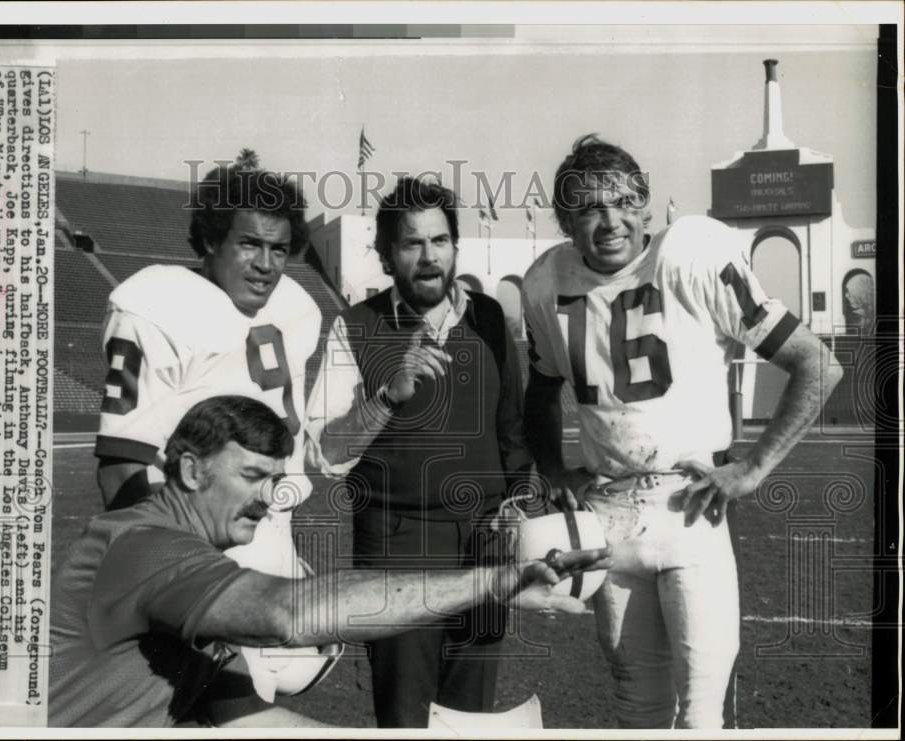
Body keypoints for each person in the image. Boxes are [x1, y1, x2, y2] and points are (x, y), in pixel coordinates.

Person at [521, 134, 843, 729]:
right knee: (637, 712)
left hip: (690, 512)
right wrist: (553, 469)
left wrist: (752, 467)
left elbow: (818, 364)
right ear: (566, 221)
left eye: (622, 202)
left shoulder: (689, 254)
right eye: (590, 208)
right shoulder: (545, 284)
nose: (610, 221)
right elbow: (539, 390)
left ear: (647, 205)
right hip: (610, 515)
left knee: (700, 718)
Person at [49, 395, 611, 727]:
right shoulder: (145, 547)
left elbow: (248, 719)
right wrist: (495, 581)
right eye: (251, 477)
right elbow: (291, 615)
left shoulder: (196, 572)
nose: (268, 498)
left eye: (274, 480)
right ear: (192, 472)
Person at [305, 177, 536, 727]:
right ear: (387, 257)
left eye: (440, 241)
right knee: (407, 720)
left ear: (455, 246)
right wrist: (388, 395)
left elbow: (514, 440)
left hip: (485, 545)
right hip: (396, 548)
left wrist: (519, 504)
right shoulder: (355, 328)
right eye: (412, 243)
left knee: (470, 721)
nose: (429, 257)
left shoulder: (491, 322)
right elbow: (326, 452)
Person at [92, 163, 321, 574]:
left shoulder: (298, 307)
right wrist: (163, 578)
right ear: (212, 239)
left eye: (279, 249)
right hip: (194, 546)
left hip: (273, 543)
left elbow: (289, 462)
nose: (266, 265)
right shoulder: (153, 306)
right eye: (249, 244)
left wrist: (289, 555)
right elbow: (121, 466)